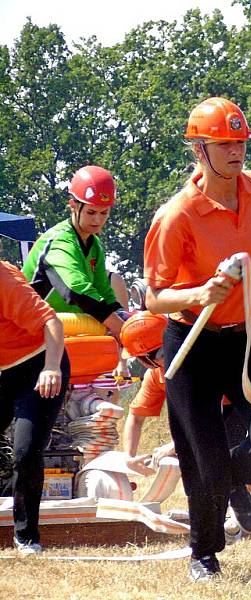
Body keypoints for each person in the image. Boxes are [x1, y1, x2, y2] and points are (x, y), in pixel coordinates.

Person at [143, 97, 251, 581]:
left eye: (241, 143)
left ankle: (236, 481)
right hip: (193, 342)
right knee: (203, 457)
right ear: (199, 149)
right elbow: (153, 298)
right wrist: (201, 290)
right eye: (225, 145)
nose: (237, 153)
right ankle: (204, 554)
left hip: (249, 338)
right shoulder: (176, 216)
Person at [118, 310, 251, 524]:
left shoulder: (202, 362)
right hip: (215, 413)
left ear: (147, 359)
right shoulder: (156, 376)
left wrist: (173, 446)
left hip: (236, 406)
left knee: (229, 453)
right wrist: (129, 457)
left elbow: (209, 419)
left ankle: (243, 516)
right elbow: (136, 417)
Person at [22, 165, 127, 376]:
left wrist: (125, 319)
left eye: (103, 213)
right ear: (73, 205)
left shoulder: (95, 245)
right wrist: (120, 328)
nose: (97, 220)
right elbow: (78, 290)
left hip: (67, 338)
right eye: (90, 212)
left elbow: (104, 293)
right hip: (30, 341)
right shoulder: (60, 240)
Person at [0, 261, 70, 555]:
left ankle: (27, 537)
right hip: (4, 372)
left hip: (39, 365)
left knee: (26, 452)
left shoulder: (3, 279)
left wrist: (52, 367)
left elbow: (51, 322)